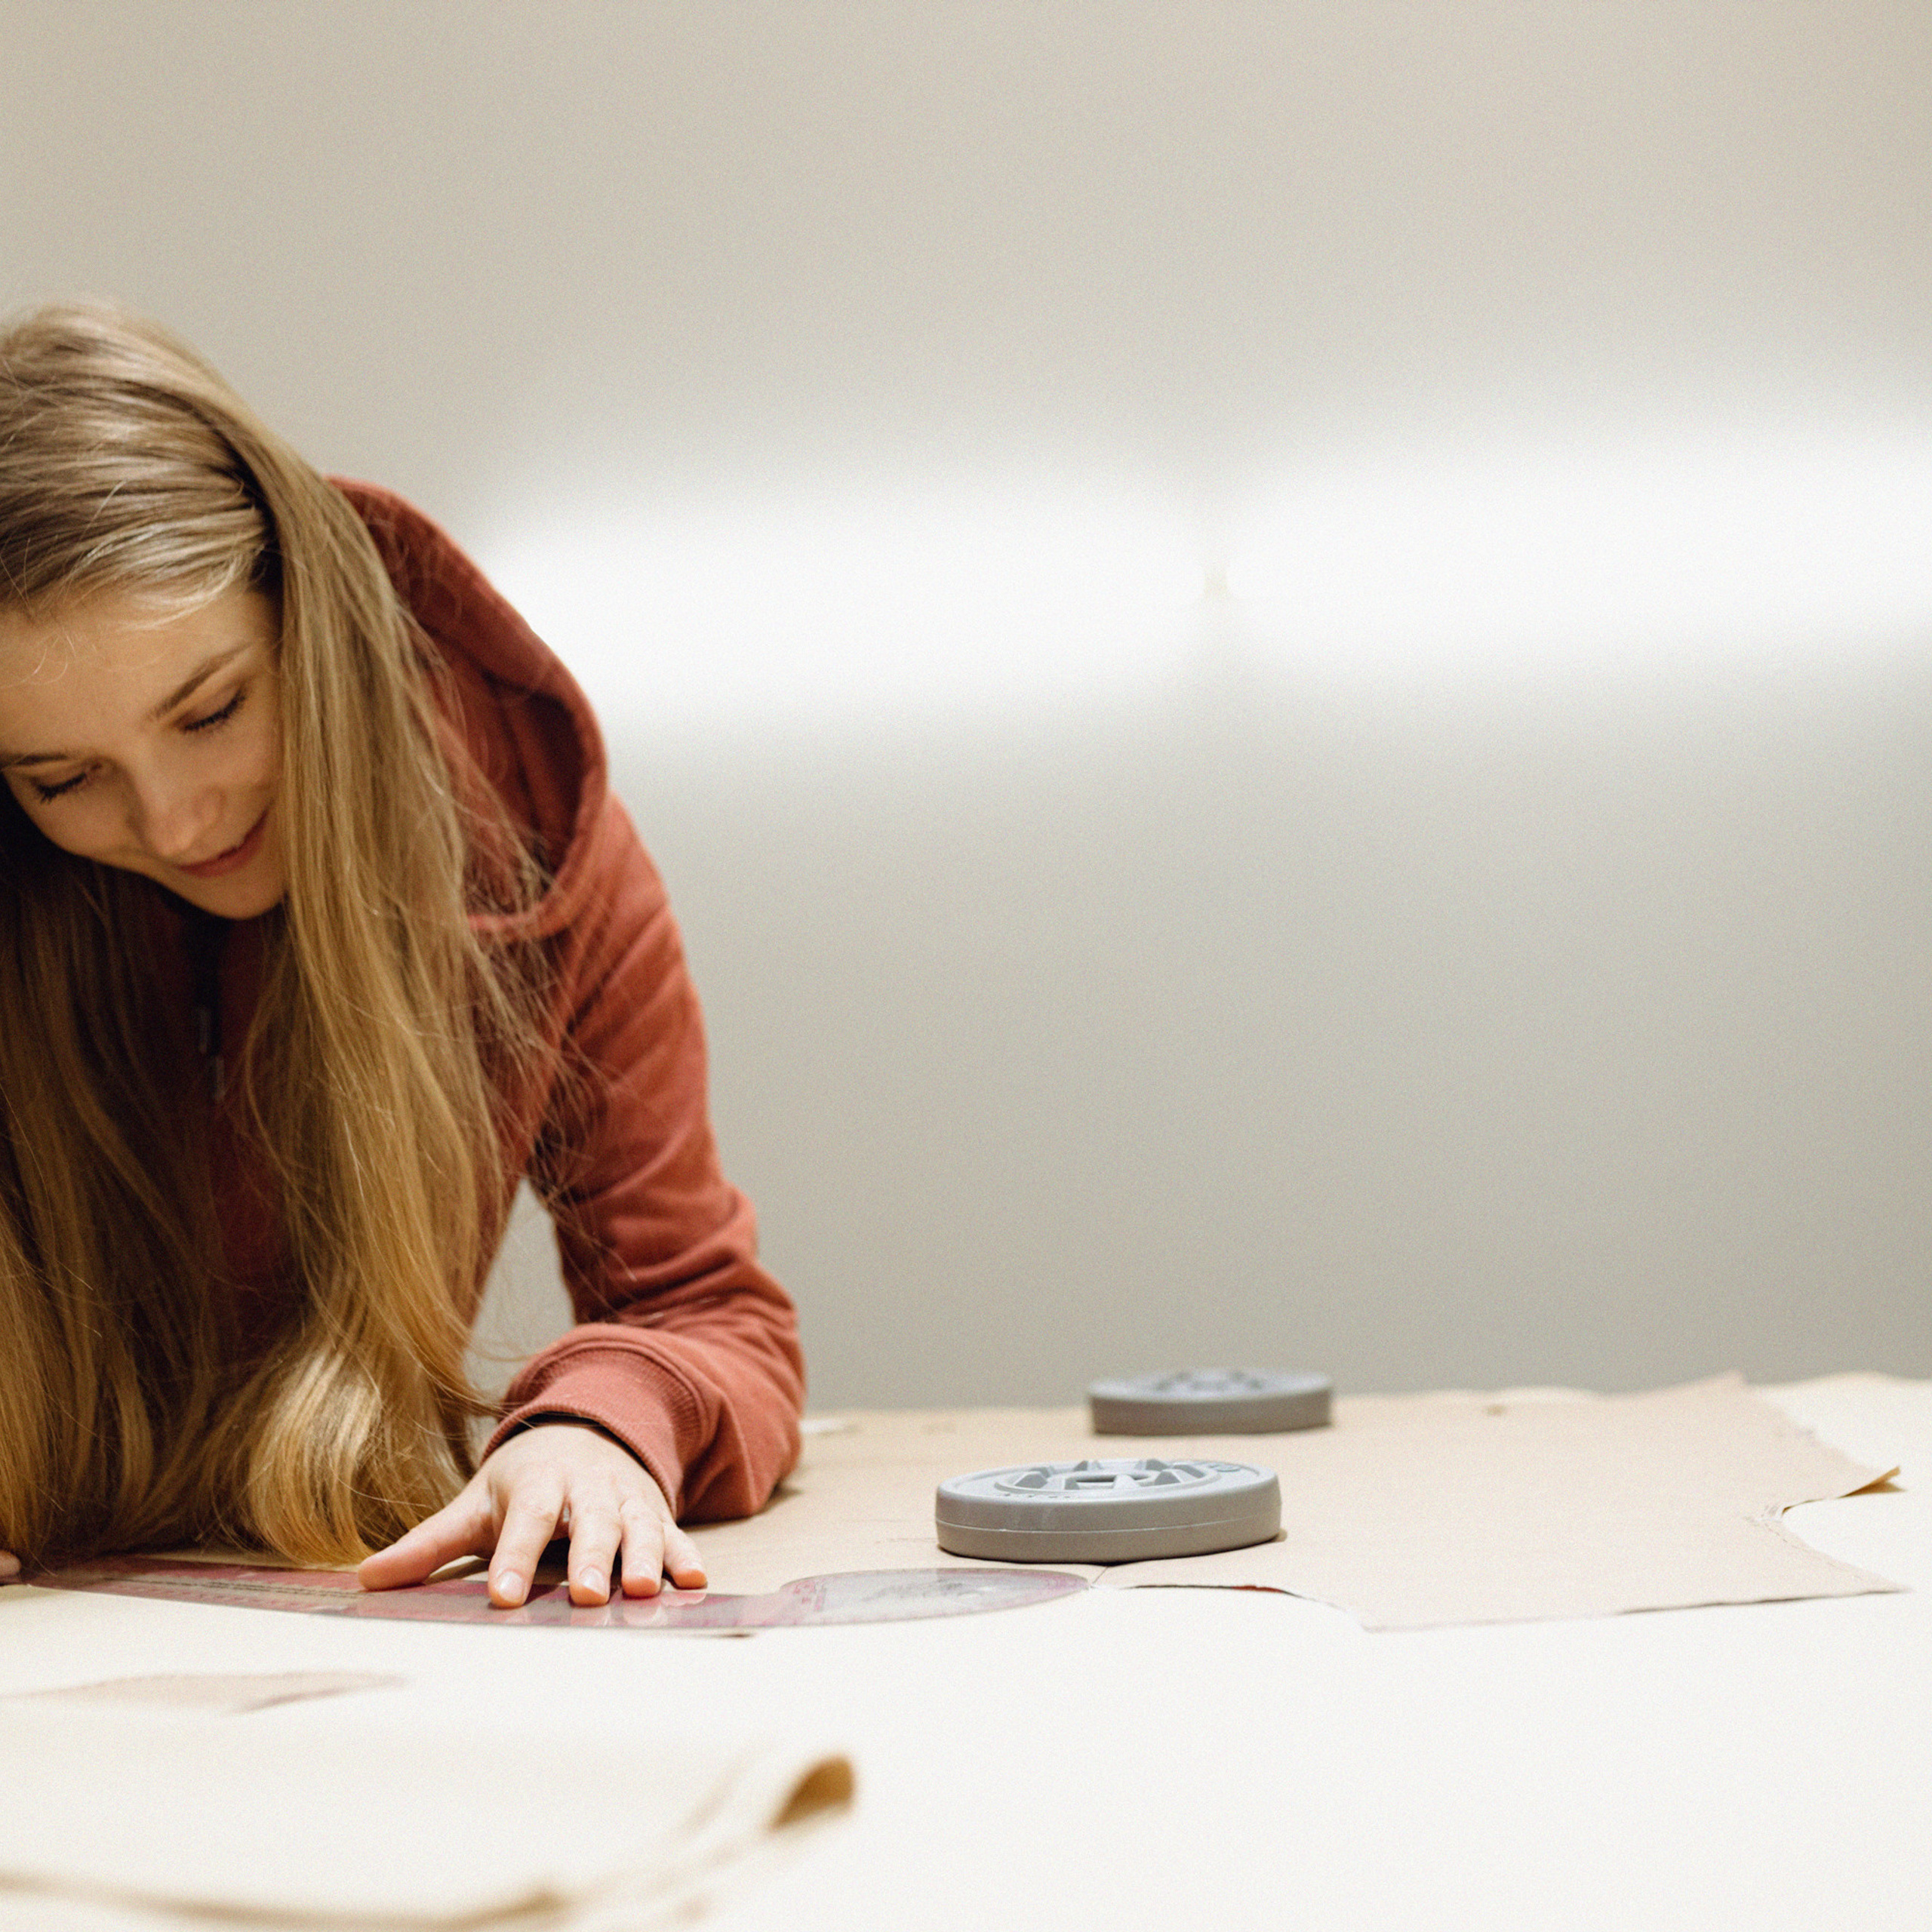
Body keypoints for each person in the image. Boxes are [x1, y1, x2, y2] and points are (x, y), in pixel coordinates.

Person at [0, 304, 804, 1609]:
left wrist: (598, 1426)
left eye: (210, 711)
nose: (171, 818)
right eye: (61, 777)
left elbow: (708, 1311)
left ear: (304, 613)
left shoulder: (538, 839)